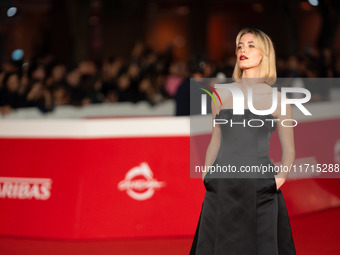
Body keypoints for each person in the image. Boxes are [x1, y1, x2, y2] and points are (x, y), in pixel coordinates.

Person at [190, 28, 296, 254]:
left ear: (264, 55)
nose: (243, 50)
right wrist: (207, 174)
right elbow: (215, 140)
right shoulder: (220, 94)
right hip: (222, 184)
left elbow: (289, 150)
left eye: (250, 45)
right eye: (240, 45)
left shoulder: (278, 99)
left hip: (260, 185)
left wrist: (279, 179)